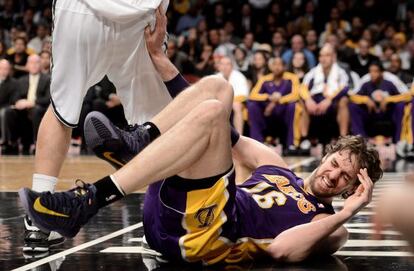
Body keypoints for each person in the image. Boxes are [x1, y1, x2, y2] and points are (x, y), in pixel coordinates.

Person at [19, 73, 381, 264]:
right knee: (218, 89)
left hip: (207, 236)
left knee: (212, 114)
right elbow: (227, 131)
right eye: (336, 164)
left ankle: (89, 199)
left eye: (344, 179)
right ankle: (139, 142)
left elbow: (281, 251)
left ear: (350, 189)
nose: (333, 175)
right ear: (327, 155)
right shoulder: (277, 166)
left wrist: (348, 212)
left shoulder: (330, 226)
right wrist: (163, 62)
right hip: (175, 211)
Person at [23, 2, 173, 252]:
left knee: (62, 108)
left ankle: (40, 218)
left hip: (81, 11)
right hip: (140, 14)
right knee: (157, 120)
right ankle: (160, 219)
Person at [348, 61, 412, 158]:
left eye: (376, 71)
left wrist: (388, 99)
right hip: (371, 114)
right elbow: (352, 97)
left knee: (401, 106)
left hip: (387, 114)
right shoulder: (366, 85)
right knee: (353, 106)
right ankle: (361, 142)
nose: (373, 74)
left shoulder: (389, 84)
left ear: (381, 73)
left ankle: (399, 142)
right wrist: (365, 99)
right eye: (371, 71)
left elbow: (405, 97)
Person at [300, 44, 350, 148]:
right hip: (316, 101)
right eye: (321, 55)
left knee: (344, 100)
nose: (323, 59)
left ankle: (343, 140)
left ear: (333, 57)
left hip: (333, 102)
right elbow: (303, 87)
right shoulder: (313, 72)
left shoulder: (340, 72)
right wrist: (308, 100)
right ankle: (304, 140)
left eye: (327, 55)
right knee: (301, 101)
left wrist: (329, 100)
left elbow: (344, 88)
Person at [248, 57, 301, 150]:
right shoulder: (265, 79)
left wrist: (277, 100)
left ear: (284, 67)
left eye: (279, 65)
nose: (277, 67)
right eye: (274, 64)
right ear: (271, 67)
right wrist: (268, 97)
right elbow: (252, 95)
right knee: (252, 105)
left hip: (284, 112)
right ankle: (257, 143)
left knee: (293, 106)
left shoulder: (292, 78)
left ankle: (291, 144)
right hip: (267, 114)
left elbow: (296, 95)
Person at [2, 55, 50, 155]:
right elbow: (14, 97)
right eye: (31, 63)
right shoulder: (20, 80)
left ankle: (37, 144)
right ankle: (11, 143)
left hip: (39, 108)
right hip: (23, 109)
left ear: (40, 64)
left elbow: (48, 98)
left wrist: (32, 102)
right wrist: (19, 102)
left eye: (36, 62)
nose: (34, 65)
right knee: (8, 112)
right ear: (27, 65)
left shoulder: (47, 79)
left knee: (36, 110)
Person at [217, 56, 249, 134]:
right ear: (219, 66)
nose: (225, 67)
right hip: (221, 103)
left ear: (232, 66)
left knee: (236, 106)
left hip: (239, 102)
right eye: (222, 64)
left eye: (227, 64)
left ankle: (239, 136)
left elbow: (243, 96)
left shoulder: (239, 77)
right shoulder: (216, 77)